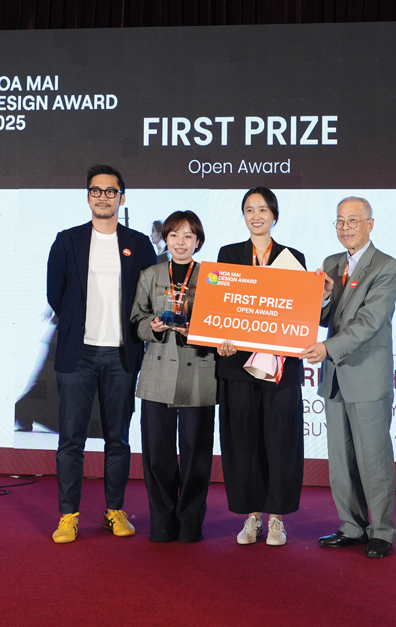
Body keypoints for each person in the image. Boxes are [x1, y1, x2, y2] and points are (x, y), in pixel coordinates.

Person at [46, 165, 157, 543]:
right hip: (78, 355)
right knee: (71, 441)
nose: (104, 197)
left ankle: (114, 510)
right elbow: (54, 293)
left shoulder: (140, 244)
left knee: (118, 440)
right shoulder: (67, 240)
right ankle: (68, 515)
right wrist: (78, 324)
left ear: (121, 197)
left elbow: (149, 298)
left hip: (121, 355)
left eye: (111, 191)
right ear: (88, 196)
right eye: (97, 191)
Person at [300, 196, 396, 559]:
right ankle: (352, 526)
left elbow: (370, 323)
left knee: (373, 458)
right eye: (340, 221)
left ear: (370, 224)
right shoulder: (331, 263)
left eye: (353, 221)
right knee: (340, 460)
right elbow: (326, 318)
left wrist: (327, 349)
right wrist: (323, 297)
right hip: (335, 376)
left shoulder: (385, 266)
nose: (345, 227)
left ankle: (382, 531)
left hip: (366, 375)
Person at [214, 186, 306, 546]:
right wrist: (218, 337)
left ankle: (277, 518)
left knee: (279, 440)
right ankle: (252, 516)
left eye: (263, 209)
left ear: (274, 215)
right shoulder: (229, 255)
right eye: (249, 209)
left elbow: (300, 310)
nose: (256, 215)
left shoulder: (292, 257)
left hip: (280, 369)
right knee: (245, 440)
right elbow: (220, 308)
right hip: (238, 366)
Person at [130, 210, 216, 543]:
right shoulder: (150, 274)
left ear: (198, 241)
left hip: (199, 371)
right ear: (165, 238)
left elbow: (221, 324)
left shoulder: (211, 276)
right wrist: (149, 327)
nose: (181, 243)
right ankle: (163, 523)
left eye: (188, 236)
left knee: (197, 453)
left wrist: (199, 329)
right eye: (175, 235)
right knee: (157, 453)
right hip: (157, 370)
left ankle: (191, 523)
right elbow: (136, 319)